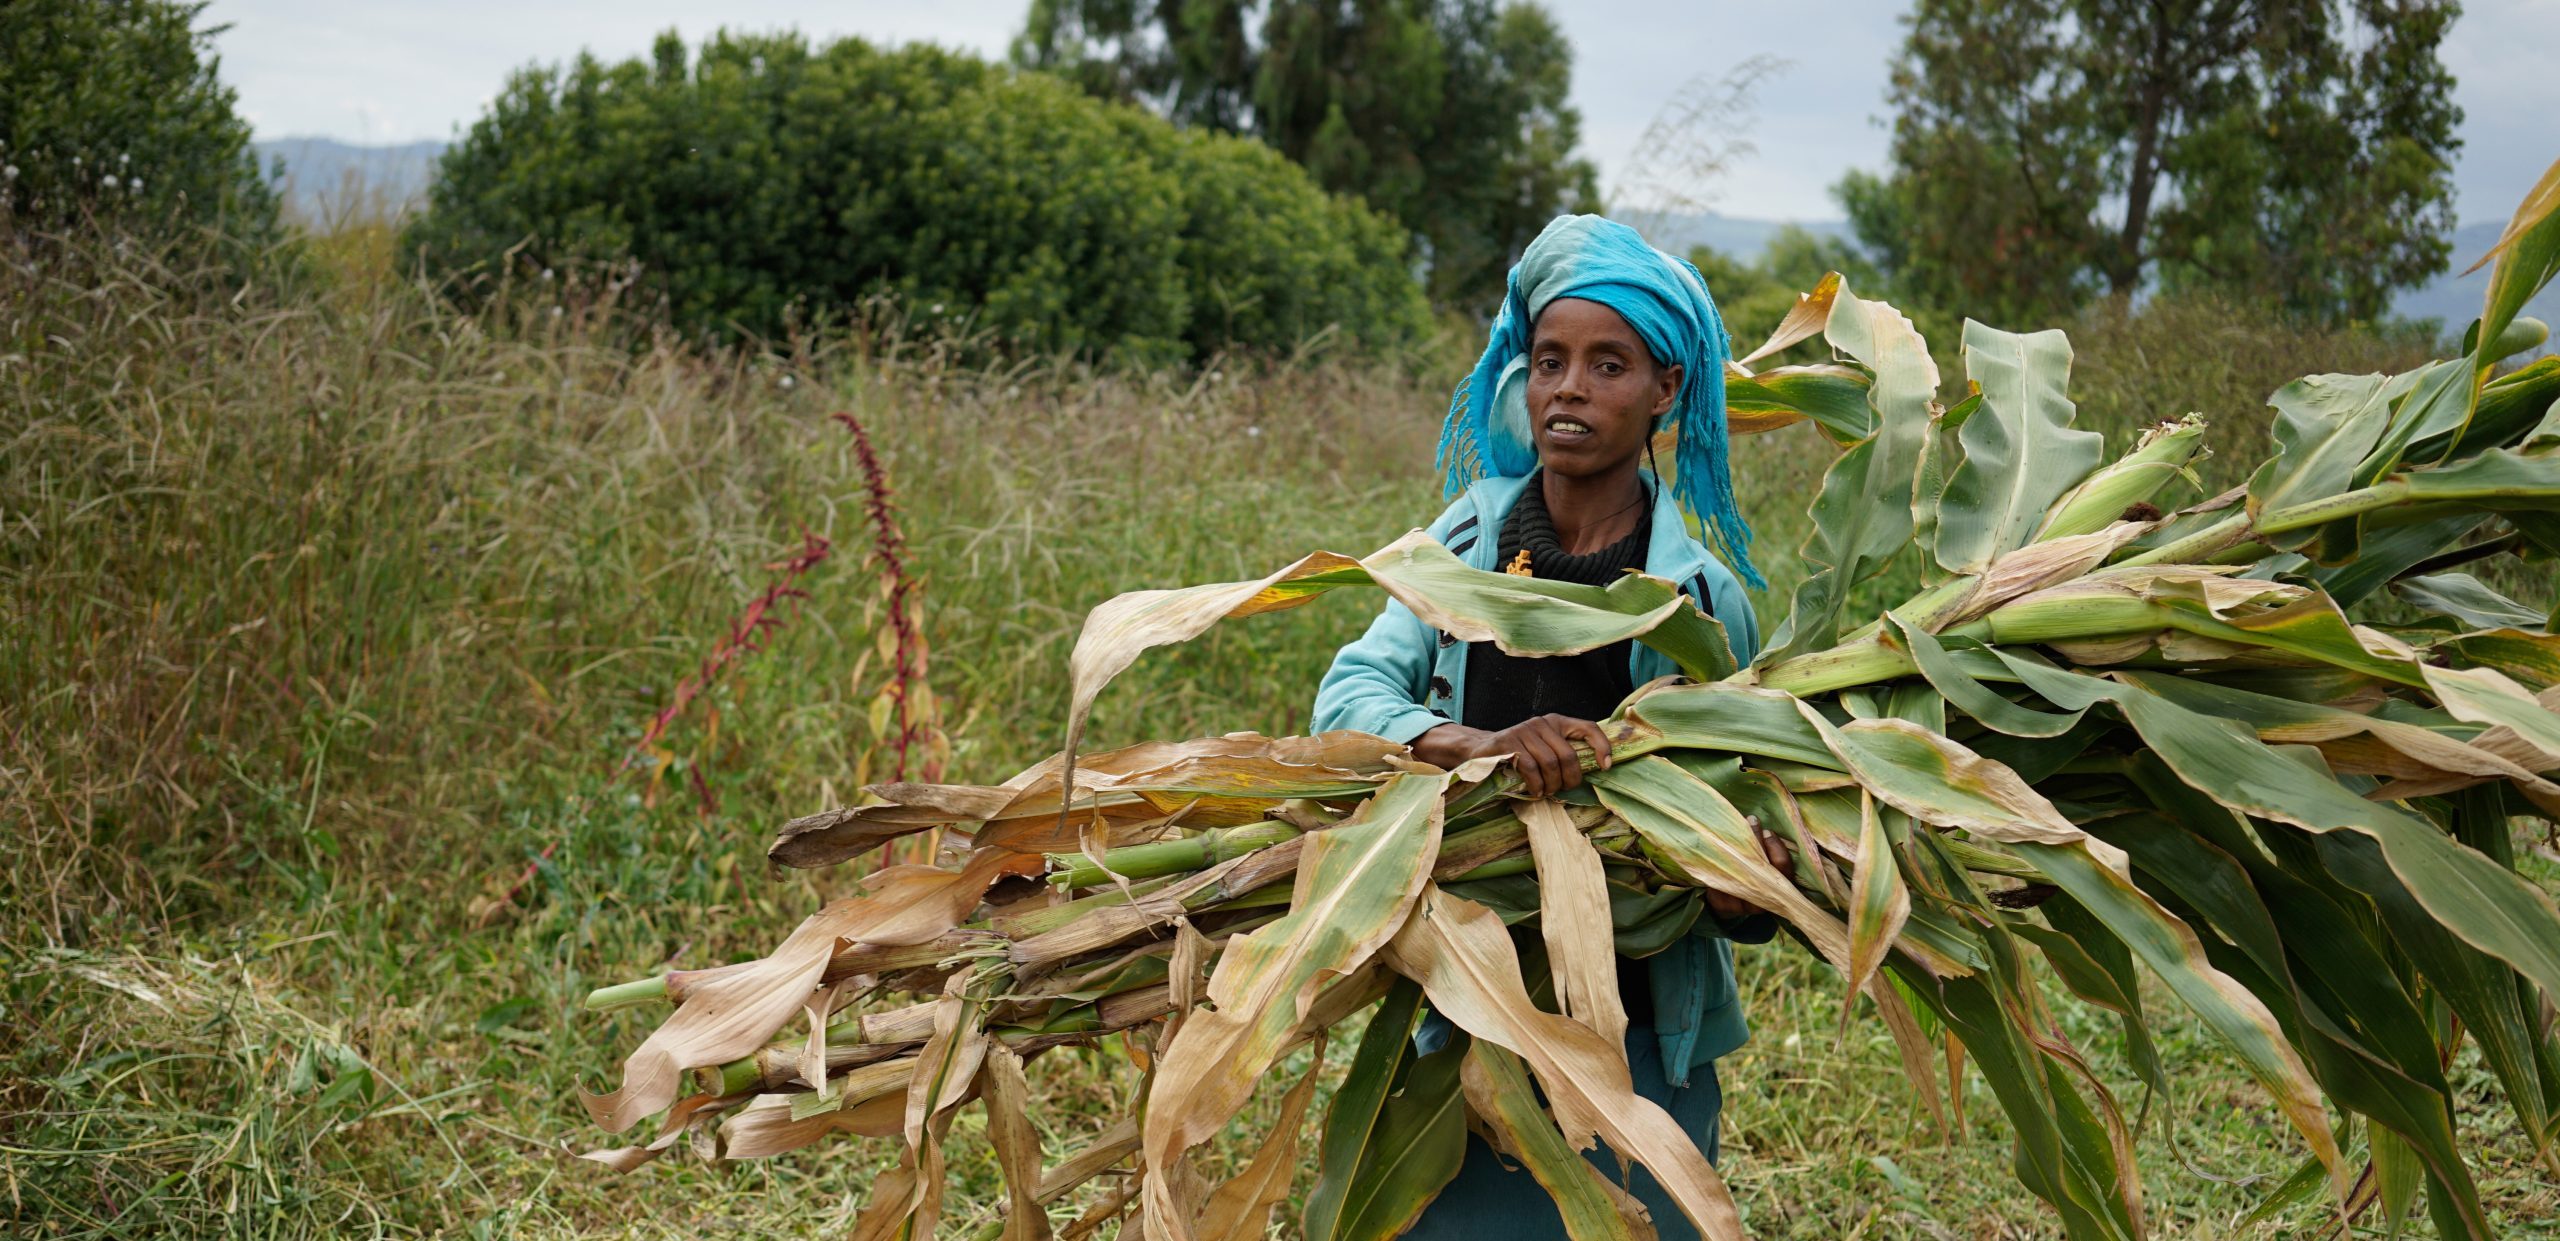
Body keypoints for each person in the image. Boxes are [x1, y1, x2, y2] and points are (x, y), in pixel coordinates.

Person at [1309, 214, 1786, 1239]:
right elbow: (1348, 694)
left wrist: (1744, 876)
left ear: (1666, 390)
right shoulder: (1464, 541)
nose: (1568, 387)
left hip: (1636, 1030)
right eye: (1550, 359)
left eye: (1607, 364)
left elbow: (1744, 824)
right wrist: (1472, 747)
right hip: (1459, 1002)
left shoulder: (1695, 598)